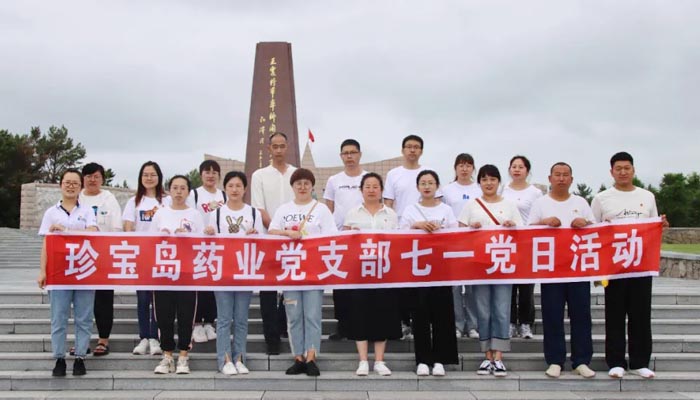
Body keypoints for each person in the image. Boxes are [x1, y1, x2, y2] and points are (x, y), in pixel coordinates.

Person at [591, 151, 669, 379]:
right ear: (611, 172)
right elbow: (592, 231)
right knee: (614, 313)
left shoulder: (647, 196)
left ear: (633, 170)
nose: (623, 172)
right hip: (614, 266)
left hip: (641, 265)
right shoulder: (602, 198)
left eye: (627, 168)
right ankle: (615, 361)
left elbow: (652, 227)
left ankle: (639, 362)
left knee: (641, 314)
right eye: (618, 168)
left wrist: (660, 225)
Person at [528, 162, 596, 379]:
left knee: (581, 315)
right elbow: (528, 233)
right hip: (552, 270)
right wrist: (544, 222)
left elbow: (596, 230)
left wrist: (585, 222)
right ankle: (555, 360)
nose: (561, 178)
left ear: (571, 179)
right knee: (552, 315)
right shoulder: (540, 203)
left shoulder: (581, 202)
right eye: (557, 174)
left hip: (578, 268)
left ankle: (581, 360)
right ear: (550, 178)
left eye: (565, 175)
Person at [268, 168, 337, 377]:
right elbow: (271, 232)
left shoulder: (321, 209)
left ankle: (311, 357)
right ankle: (298, 357)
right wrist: (287, 232)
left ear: (312, 186)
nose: (302, 187)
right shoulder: (283, 209)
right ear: (293, 186)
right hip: (290, 272)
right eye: (298, 183)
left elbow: (331, 237)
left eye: (306, 183)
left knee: (313, 316)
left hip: (313, 272)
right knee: (294, 316)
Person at [459, 164, 521, 377]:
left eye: (492, 179)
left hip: (503, 266)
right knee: (483, 310)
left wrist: (512, 226)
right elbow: (459, 233)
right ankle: (487, 356)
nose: (488, 183)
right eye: (484, 179)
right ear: (479, 183)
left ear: (499, 182)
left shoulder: (510, 205)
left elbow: (522, 233)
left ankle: (499, 357)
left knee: (501, 309)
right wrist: (471, 228)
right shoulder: (471, 205)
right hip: (480, 266)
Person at [37, 168, 98, 377]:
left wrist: (66, 231)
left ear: (80, 187)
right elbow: (46, 244)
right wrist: (42, 271)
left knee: (84, 317)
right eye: (67, 182)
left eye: (75, 183)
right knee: (58, 317)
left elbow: (93, 232)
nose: (71, 186)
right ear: (60, 185)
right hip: (58, 273)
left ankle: (80, 357)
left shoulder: (87, 211)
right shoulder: (51, 213)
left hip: (83, 271)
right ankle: (59, 359)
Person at [204, 171, 264, 375]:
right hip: (223, 272)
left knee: (241, 319)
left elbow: (262, 242)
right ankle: (225, 359)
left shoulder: (253, 213)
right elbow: (209, 243)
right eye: (230, 186)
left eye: (239, 186)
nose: (235, 189)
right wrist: (209, 233)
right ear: (225, 189)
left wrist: (255, 235)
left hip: (245, 272)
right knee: (223, 319)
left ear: (245, 189)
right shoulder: (217, 213)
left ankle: (239, 358)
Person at [399, 170, 459, 376]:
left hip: (441, 268)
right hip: (418, 269)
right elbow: (400, 236)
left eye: (430, 183)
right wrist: (417, 225)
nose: (427, 186)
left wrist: (439, 230)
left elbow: (455, 235)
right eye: (423, 183)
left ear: (437, 186)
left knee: (442, 314)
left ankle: (440, 359)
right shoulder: (410, 210)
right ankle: (423, 360)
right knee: (420, 314)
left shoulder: (446, 210)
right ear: (417, 187)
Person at [342, 172, 401, 376]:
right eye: (367, 186)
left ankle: (379, 361)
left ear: (382, 190)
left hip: (384, 272)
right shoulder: (352, 213)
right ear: (361, 190)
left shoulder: (390, 214)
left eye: (375, 186)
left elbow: (398, 242)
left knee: (382, 314)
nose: (371, 190)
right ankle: (363, 361)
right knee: (360, 314)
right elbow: (345, 241)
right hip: (360, 273)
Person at [383, 134, 437, 339]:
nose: (412, 150)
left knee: (424, 280)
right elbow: (388, 203)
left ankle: (423, 321)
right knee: (403, 280)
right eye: (409, 146)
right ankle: (405, 321)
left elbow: (437, 201)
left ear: (421, 151)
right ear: (402, 150)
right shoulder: (394, 174)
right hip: (403, 234)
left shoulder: (428, 172)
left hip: (427, 236)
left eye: (416, 147)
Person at [150, 175, 205, 375]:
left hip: (187, 274)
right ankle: (167, 356)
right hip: (163, 272)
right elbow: (149, 241)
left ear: (188, 192)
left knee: (186, 315)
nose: (179, 191)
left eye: (183, 188)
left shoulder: (195, 215)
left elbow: (203, 243)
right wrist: (162, 236)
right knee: (164, 316)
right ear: (169, 190)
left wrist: (188, 237)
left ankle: (183, 355)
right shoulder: (160, 213)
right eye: (175, 187)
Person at [250, 132, 296, 355]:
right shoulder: (259, 175)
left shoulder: (296, 173)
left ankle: (285, 327)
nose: (278, 150)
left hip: (293, 242)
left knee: (291, 288)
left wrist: (288, 233)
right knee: (268, 291)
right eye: (274, 146)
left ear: (287, 147)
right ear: (269, 149)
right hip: (269, 239)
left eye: (282, 146)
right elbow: (259, 208)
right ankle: (272, 338)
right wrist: (276, 230)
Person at [323, 139, 367, 341]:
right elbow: (329, 209)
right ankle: (343, 325)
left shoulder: (368, 178)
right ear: (341, 156)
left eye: (353, 152)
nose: (349, 156)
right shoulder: (334, 180)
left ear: (360, 154)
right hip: (340, 237)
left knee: (362, 282)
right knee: (341, 283)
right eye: (345, 153)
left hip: (363, 238)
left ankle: (362, 325)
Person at [79, 162, 123, 357]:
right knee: (81, 300)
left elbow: (116, 227)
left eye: (96, 176)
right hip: (80, 257)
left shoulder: (108, 198)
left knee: (103, 299)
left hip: (103, 256)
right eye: (88, 176)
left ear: (102, 179)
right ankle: (82, 341)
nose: (92, 180)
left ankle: (103, 339)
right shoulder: (77, 197)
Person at [123, 161, 165, 356]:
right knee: (142, 298)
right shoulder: (134, 202)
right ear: (141, 178)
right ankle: (144, 338)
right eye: (145, 174)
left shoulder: (166, 200)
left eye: (153, 174)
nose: (149, 178)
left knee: (158, 298)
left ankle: (155, 337)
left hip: (162, 256)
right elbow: (128, 226)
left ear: (159, 177)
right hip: (141, 256)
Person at [501, 155, 542, 339]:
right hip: (506, 243)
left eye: (521, 167)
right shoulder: (503, 190)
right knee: (509, 287)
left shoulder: (535, 193)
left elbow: (538, 216)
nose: (517, 170)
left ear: (527, 171)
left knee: (526, 286)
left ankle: (526, 323)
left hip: (526, 243)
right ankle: (510, 322)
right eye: (514, 166)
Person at [441, 153, 481, 340]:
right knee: (455, 287)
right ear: (455, 168)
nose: (464, 169)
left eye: (468, 165)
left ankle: (472, 325)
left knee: (472, 287)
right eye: (461, 165)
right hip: (453, 243)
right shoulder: (447, 190)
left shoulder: (479, 189)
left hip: (474, 243)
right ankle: (457, 324)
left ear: (473, 168)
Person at [187, 160, 227, 343]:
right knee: (199, 285)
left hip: (218, 247)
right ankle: (196, 323)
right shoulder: (194, 194)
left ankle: (210, 322)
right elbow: (188, 217)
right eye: (207, 172)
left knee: (213, 286)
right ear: (201, 174)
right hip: (197, 247)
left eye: (214, 172)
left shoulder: (223, 195)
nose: (211, 176)